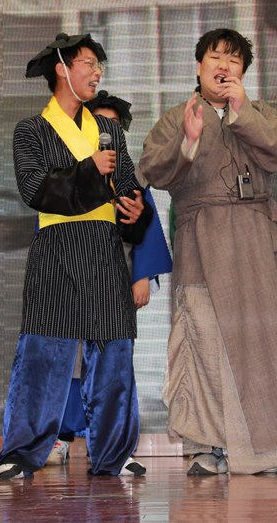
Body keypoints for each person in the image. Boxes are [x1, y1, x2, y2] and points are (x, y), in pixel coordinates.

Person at [140, 28, 277, 475]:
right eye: (215, 57)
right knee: (205, 337)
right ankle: (210, 445)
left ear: (243, 71)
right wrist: (187, 141)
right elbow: (152, 171)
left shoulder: (258, 112)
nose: (224, 66)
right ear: (198, 66)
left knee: (269, 340)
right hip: (202, 239)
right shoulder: (177, 117)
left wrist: (242, 112)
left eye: (234, 60)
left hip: (257, 239)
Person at [0, 33, 150, 480]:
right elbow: (34, 189)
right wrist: (88, 170)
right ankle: (21, 452)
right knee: (44, 350)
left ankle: (113, 453)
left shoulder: (109, 130)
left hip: (104, 245)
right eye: (88, 63)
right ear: (62, 69)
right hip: (56, 245)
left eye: (99, 65)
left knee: (114, 350)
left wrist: (134, 210)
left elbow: (128, 186)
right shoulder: (32, 130)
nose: (97, 72)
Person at [46, 90, 173, 466]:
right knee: (69, 357)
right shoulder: (67, 173)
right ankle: (61, 437)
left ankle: (114, 444)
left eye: (113, 126)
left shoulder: (130, 180)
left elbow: (146, 229)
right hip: (72, 279)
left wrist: (141, 276)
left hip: (116, 280)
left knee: (113, 361)